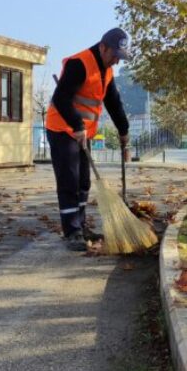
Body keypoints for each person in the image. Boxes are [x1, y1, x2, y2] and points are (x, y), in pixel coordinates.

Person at [45, 28, 131, 251]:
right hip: (62, 129)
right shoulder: (79, 64)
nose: (115, 62)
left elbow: (113, 102)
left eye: (119, 58)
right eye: (114, 56)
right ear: (103, 47)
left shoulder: (107, 70)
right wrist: (77, 124)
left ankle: (81, 226)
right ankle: (71, 231)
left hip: (82, 132)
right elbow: (61, 97)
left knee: (83, 181)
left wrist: (124, 130)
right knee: (69, 181)